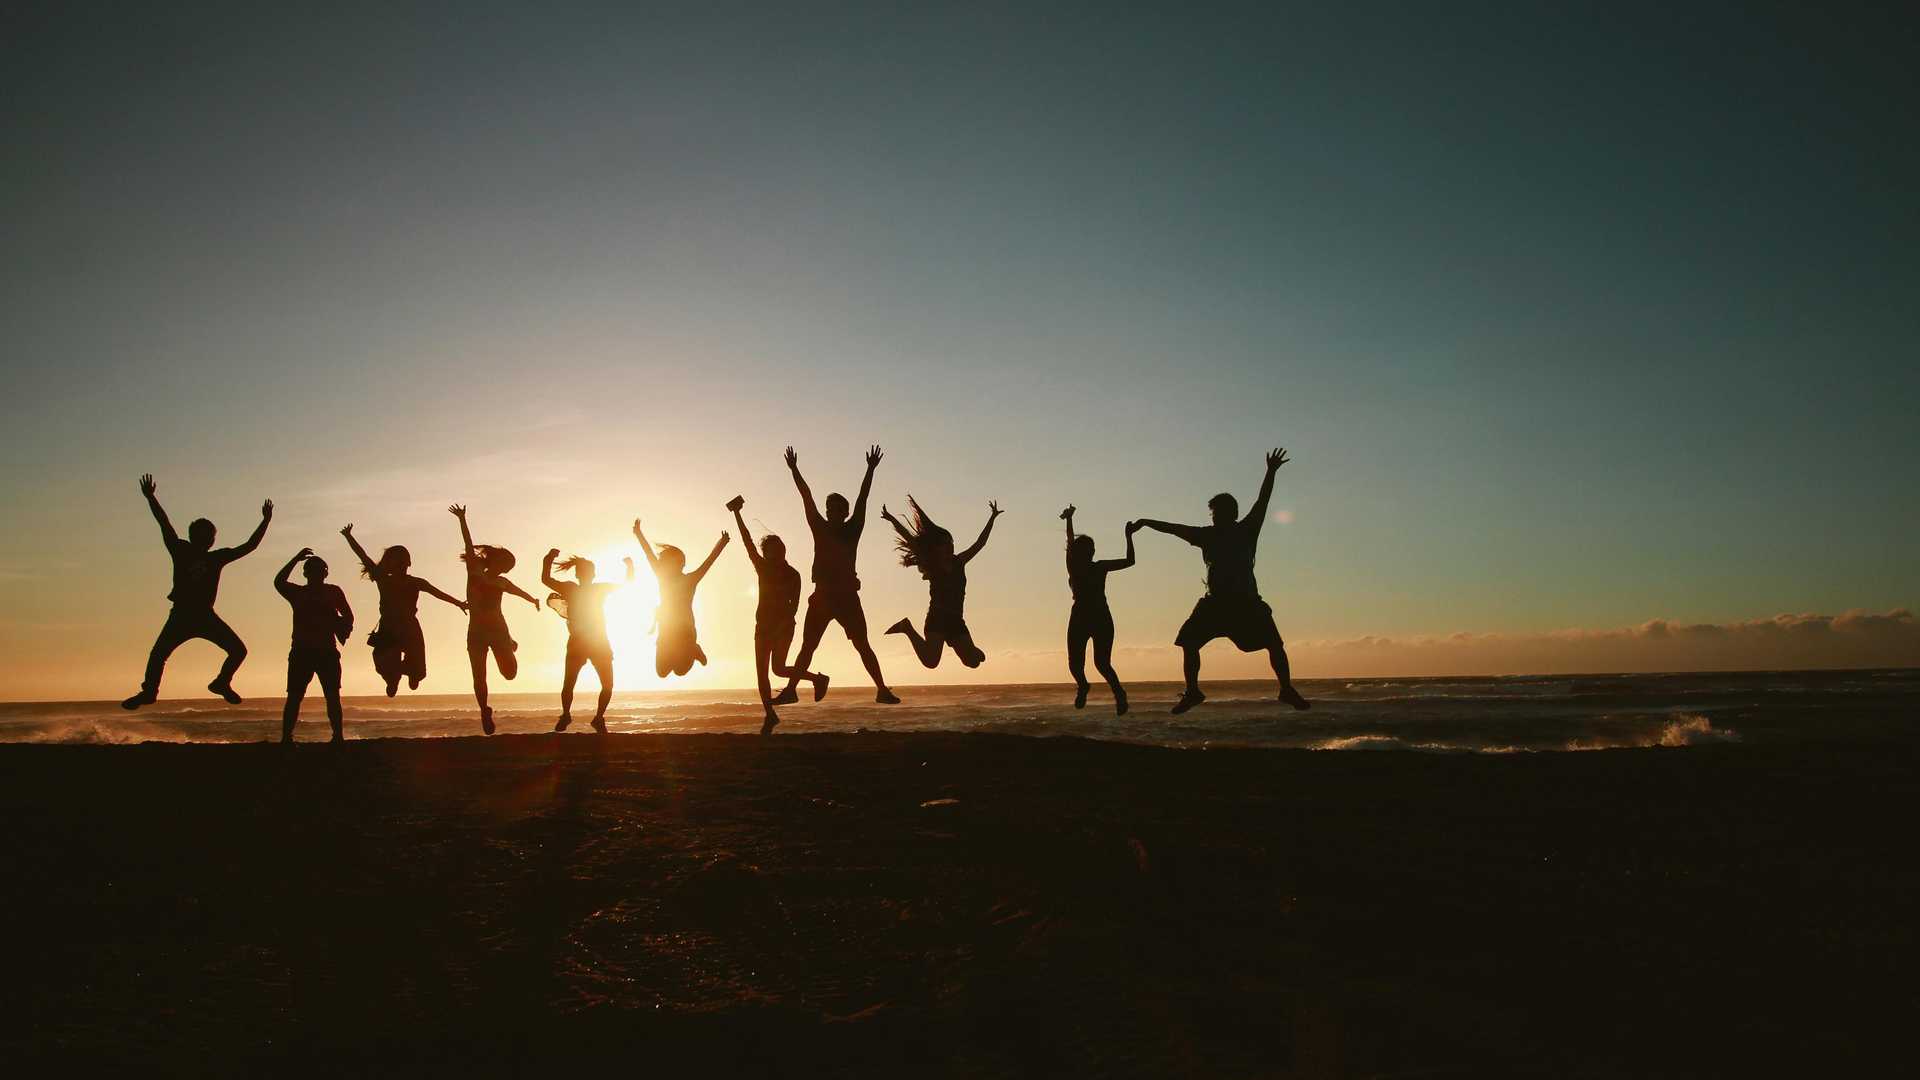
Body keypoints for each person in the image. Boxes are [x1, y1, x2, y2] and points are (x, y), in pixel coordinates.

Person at [1134, 448, 1310, 714]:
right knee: (1188, 642)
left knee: (1275, 644)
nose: (1214, 517)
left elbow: (1263, 500)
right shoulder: (1206, 535)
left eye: (1217, 513)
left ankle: (1286, 689)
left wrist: (1271, 472)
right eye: (1213, 513)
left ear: (1231, 513)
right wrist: (1147, 522)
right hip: (1215, 604)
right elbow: (1173, 528)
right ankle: (1193, 691)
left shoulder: (1247, 529)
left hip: (1246, 602)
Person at [122, 474, 272, 709]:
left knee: (237, 650)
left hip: (203, 615)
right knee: (159, 654)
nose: (207, 540)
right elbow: (164, 523)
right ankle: (150, 692)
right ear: (199, 538)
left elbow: (249, 546)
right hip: (183, 615)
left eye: (208, 537)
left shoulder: (214, 557)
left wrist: (265, 521)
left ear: (211, 540)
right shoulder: (182, 550)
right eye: (204, 536)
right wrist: (151, 498)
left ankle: (220, 683)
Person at [775, 445, 899, 704]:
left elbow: (863, 499)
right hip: (821, 597)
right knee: (808, 646)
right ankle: (791, 690)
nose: (831, 512)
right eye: (829, 508)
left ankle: (882, 690)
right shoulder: (819, 527)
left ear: (845, 513)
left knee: (862, 645)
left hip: (847, 598)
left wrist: (870, 469)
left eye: (836, 509)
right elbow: (806, 496)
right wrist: (794, 469)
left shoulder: (853, 529)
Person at [729, 495, 828, 734]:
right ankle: (770, 715)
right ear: (766, 553)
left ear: (783, 550)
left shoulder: (793, 574)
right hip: (762, 627)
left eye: (778, 549)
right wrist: (737, 514)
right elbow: (747, 542)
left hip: (783, 627)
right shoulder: (762, 568)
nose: (774, 554)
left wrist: (783, 625)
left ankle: (817, 679)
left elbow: (794, 607)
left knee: (779, 669)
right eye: (770, 551)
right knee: (763, 673)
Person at [340, 524, 467, 696]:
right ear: (390, 563)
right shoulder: (384, 579)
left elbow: (438, 593)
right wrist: (349, 537)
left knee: (417, 668)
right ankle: (393, 679)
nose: (400, 564)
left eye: (402, 560)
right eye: (396, 560)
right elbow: (363, 556)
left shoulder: (414, 582)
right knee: (386, 664)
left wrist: (458, 603)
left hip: (408, 627)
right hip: (389, 627)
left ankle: (410, 674)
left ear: (408, 563)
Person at [450, 504, 540, 735]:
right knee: (479, 676)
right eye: (504, 564)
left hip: (499, 632)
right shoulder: (474, 571)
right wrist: (462, 519)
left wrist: (533, 600)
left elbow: (518, 591)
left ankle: (509, 643)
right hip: (476, 634)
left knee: (510, 674)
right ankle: (484, 711)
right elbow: (468, 544)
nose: (505, 570)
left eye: (507, 568)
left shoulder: (502, 582)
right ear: (495, 561)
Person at [881, 497, 1001, 670]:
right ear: (936, 548)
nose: (950, 547)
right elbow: (909, 539)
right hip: (937, 617)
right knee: (931, 662)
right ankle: (906, 628)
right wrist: (892, 519)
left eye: (951, 543)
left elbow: (979, 543)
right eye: (945, 544)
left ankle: (966, 648)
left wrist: (992, 517)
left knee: (973, 662)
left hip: (956, 619)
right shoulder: (932, 564)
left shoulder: (959, 561)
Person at [542, 549, 633, 733]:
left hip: (597, 642)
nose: (586, 574)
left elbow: (627, 584)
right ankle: (568, 715)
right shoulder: (573, 588)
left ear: (592, 574)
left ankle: (595, 719)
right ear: (581, 574)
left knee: (604, 685)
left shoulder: (594, 589)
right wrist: (548, 559)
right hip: (583, 642)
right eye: (584, 572)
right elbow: (546, 580)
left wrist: (629, 566)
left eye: (588, 571)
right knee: (573, 684)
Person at [1061, 506, 1139, 714]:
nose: (1091, 552)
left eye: (1091, 549)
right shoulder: (1073, 566)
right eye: (1087, 549)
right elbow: (1070, 542)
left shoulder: (1100, 566)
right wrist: (1069, 520)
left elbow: (1130, 561)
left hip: (1100, 617)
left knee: (1102, 663)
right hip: (1080, 617)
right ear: (1080, 552)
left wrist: (1129, 537)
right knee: (1075, 664)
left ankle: (1119, 693)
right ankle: (1083, 686)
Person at [273, 547, 353, 743]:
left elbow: (348, 616)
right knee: (299, 697)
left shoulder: (329, 592)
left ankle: (336, 736)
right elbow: (279, 582)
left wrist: (339, 625)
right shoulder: (300, 593)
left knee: (326, 696)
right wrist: (295, 559)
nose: (317, 574)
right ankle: (288, 738)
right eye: (314, 571)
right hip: (305, 651)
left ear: (324, 573)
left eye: (319, 571)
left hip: (321, 651)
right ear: (307, 574)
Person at [632, 518, 728, 678]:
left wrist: (722, 543)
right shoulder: (662, 576)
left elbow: (708, 562)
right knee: (662, 672)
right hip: (666, 629)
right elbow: (648, 554)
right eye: (664, 562)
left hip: (685, 631)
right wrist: (638, 533)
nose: (664, 564)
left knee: (680, 671)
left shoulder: (690, 579)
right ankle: (689, 651)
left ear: (680, 564)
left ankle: (693, 649)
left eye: (669, 562)